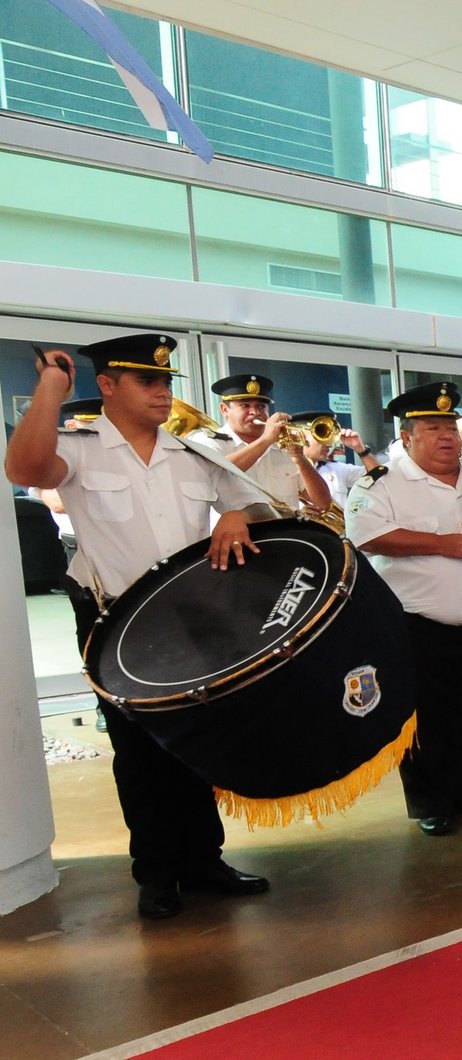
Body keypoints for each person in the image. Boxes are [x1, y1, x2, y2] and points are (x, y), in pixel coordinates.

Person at [5, 334, 268, 920]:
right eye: (147, 382)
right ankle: (157, 873)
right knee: (140, 751)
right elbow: (22, 467)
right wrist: (50, 389)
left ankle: (204, 860)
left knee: (196, 743)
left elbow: (252, 500)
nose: (162, 392)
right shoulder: (82, 448)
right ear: (106, 386)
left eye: (166, 382)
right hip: (117, 622)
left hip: (192, 620)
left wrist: (230, 512)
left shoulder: (193, 452)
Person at [346, 382, 462, 837]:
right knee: (424, 718)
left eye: (450, 426)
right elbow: (366, 537)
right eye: (433, 428)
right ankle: (431, 801)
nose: (448, 436)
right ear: (408, 436)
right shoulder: (382, 483)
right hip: (418, 625)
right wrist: (443, 544)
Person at [190, 373, 334, 515]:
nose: (255, 412)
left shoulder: (282, 446)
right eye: (245, 406)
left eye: (261, 406)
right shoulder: (209, 441)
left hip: (284, 535)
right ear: (225, 409)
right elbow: (218, 471)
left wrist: (300, 459)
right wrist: (266, 440)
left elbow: (323, 503)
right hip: (235, 536)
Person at [293, 410, 379, 508]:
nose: (329, 444)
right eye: (320, 437)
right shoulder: (283, 470)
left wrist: (360, 449)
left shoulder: (336, 469)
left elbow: (378, 478)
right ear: (301, 438)